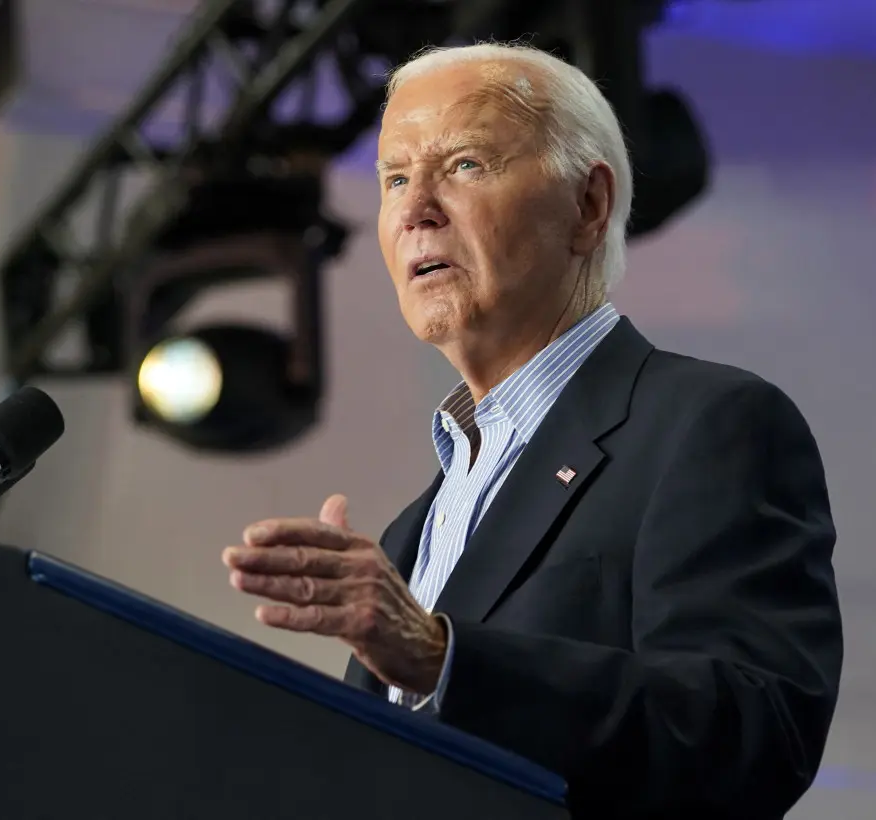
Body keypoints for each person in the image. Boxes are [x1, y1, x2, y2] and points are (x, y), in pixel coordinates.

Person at [221, 42, 843, 819]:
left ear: (587, 207)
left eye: (466, 165)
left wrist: (445, 658)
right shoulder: (415, 528)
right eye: (394, 178)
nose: (415, 209)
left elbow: (754, 732)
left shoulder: (705, 425)